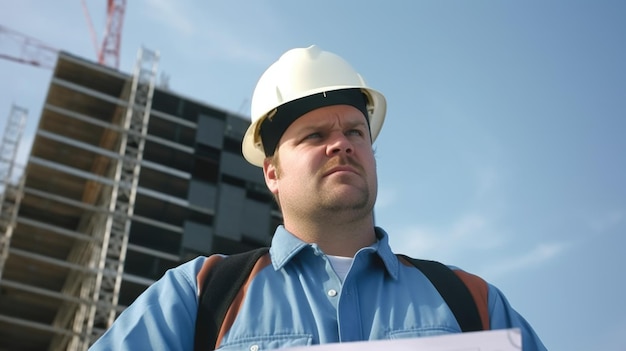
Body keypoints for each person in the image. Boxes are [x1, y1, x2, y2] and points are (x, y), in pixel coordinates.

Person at [90, 45, 546, 350]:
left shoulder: (473, 303)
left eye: (354, 131)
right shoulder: (199, 298)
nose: (342, 144)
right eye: (314, 135)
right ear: (271, 172)